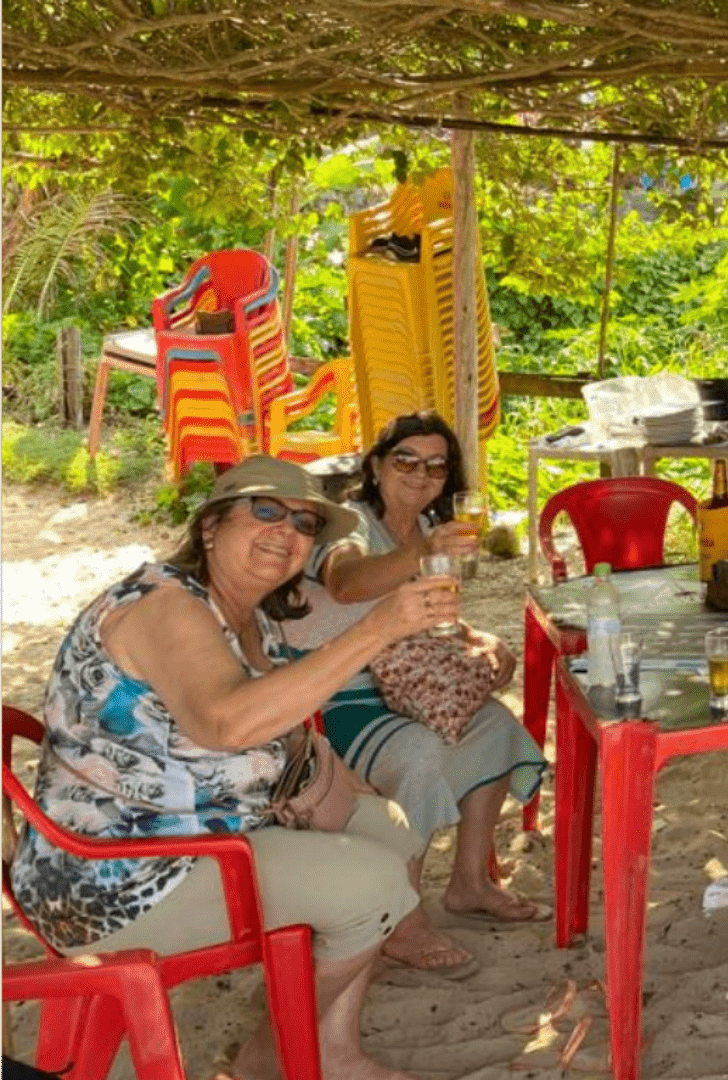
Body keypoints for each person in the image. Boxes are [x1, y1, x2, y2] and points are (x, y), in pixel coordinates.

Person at [10, 456, 450, 1080]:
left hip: (197, 838)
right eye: (265, 511)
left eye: (303, 522)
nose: (287, 531)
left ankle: (333, 1046)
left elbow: (278, 730)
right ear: (211, 526)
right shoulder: (165, 605)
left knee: (390, 828)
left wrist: (339, 785)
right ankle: (269, 1057)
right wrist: (376, 629)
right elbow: (225, 723)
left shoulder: (249, 615)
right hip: (115, 877)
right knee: (370, 884)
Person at [284, 411, 547, 974]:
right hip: (339, 693)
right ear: (375, 465)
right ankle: (402, 921)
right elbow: (347, 583)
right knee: (420, 753)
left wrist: (480, 641)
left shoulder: (431, 523)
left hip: (404, 683)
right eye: (405, 459)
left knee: (497, 725)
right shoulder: (347, 526)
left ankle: (469, 882)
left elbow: (431, 614)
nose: (421, 473)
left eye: (436, 464)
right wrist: (421, 549)